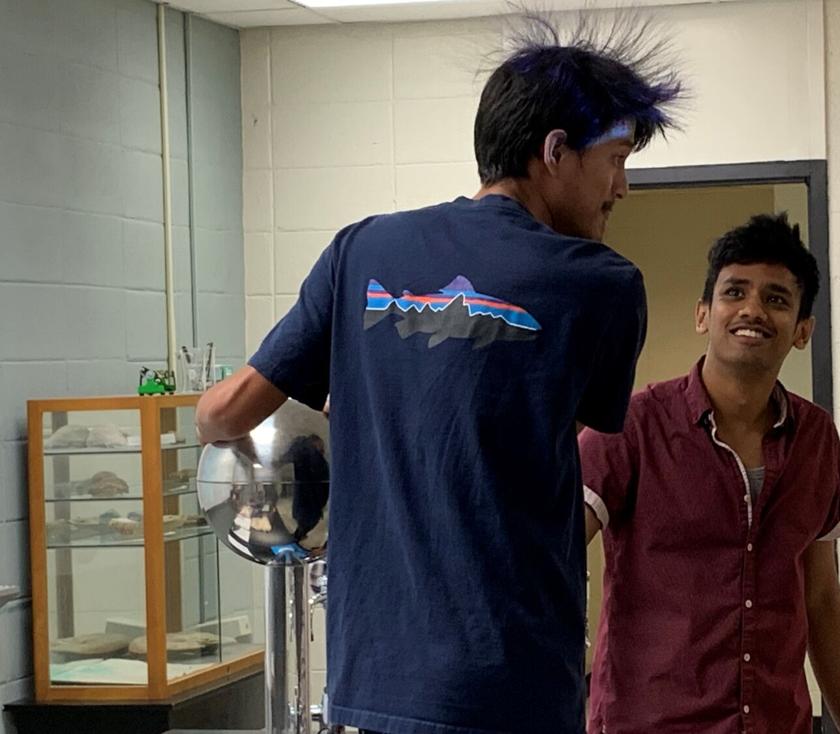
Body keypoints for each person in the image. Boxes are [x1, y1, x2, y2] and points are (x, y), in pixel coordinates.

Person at [196, 14, 684, 734]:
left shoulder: (362, 248)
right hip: (513, 677)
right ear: (555, 153)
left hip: (375, 674)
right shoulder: (603, 286)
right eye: (615, 158)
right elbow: (543, 428)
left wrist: (367, 397)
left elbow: (220, 418)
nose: (623, 186)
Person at [579, 213, 840, 734]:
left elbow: (822, 597)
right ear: (703, 313)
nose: (753, 310)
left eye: (777, 299)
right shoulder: (632, 425)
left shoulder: (816, 439)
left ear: (803, 330)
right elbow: (541, 552)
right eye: (735, 292)